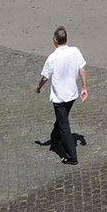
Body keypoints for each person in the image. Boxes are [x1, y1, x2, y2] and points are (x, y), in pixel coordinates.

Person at [35, 28, 87, 162]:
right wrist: (84, 88)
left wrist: (38, 87)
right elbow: (82, 70)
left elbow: (45, 77)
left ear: (55, 40)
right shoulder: (75, 51)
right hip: (72, 94)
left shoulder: (52, 58)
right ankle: (54, 141)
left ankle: (71, 156)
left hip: (60, 97)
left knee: (64, 125)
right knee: (61, 119)